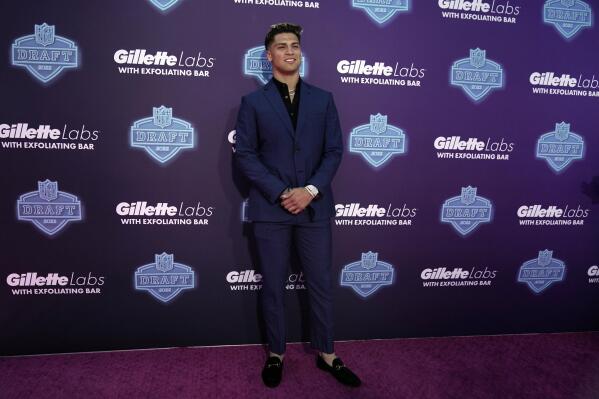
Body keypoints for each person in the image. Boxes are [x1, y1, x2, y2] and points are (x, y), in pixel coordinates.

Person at [234, 23, 361, 388]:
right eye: (281, 46)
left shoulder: (324, 99)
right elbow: (245, 154)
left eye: (295, 46)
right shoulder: (252, 103)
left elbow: (334, 151)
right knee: (272, 285)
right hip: (270, 210)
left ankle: (327, 353)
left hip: (314, 208)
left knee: (320, 283)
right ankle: (276, 353)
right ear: (268, 55)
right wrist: (281, 192)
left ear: (300, 53)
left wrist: (309, 190)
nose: (289, 51)